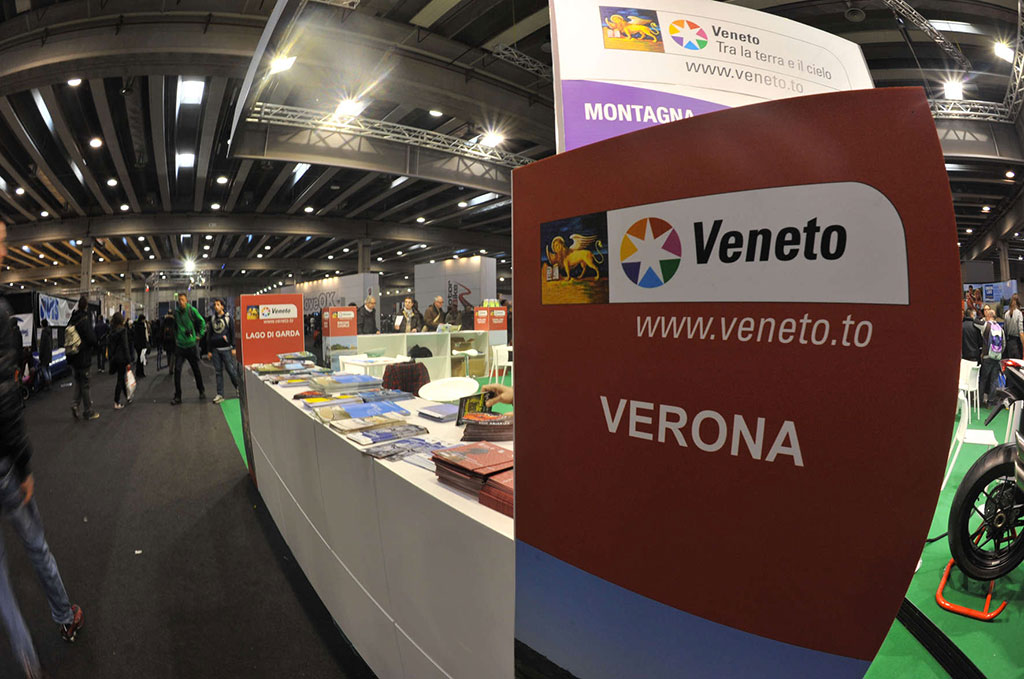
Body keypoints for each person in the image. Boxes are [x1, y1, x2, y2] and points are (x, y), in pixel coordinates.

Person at [0, 220, 85, 678]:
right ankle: (65, 616)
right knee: (35, 544)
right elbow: (5, 399)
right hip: (4, 465)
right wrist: (24, 464)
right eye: (1, 242)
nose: (5, 251)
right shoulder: (0, 314)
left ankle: (26, 659)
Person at [171, 292, 206, 405]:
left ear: (186, 300)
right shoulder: (176, 313)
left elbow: (202, 322)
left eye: (182, 300)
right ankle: (178, 396)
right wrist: (176, 339)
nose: (180, 302)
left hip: (191, 346)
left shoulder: (192, 310)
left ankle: (201, 390)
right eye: (179, 300)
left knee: (195, 369)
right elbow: (175, 327)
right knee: (177, 370)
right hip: (180, 347)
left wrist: (200, 335)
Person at [68, 296, 98, 421]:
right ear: (86, 306)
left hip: (73, 357)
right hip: (83, 356)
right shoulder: (84, 320)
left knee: (79, 383)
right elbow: (91, 339)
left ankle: (75, 405)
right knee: (85, 384)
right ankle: (88, 411)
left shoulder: (72, 320)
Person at [206, 299, 239, 404]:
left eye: (218, 304)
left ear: (222, 307)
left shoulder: (228, 318)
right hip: (215, 350)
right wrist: (209, 350)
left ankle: (238, 388)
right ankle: (220, 394)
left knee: (231, 370)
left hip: (226, 349)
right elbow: (209, 335)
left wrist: (234, 347)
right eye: (215, 305)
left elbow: (232, 332)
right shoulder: (212, 319)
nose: (216, 306)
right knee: (218, 372)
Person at [980, 307, 1004, 408]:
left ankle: (980, 401)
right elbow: (1004, 344)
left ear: (988, 316)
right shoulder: (1000, 329)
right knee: (994, 380)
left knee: (983, 379)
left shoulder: (986, 326)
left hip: (987, 356)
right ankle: (990, 402)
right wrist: (998, 354)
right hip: (997, 357)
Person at [108, 312, 131, 410]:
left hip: (114, 358)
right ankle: (116, 401)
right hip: (122, 358)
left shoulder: (111, 331)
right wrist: (128, 360)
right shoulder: (123, 331)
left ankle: (127, 396)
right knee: (120, 379)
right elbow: (125, 346)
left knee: (121, 378)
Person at [1005, 294, 1023, 360]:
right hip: (1017, 343)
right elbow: (1021, 332)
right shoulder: (1019, 313)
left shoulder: (1006, 314)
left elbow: (1005, 330)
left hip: (1009, 343)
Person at [132, 313, 149, 379]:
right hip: (141, 345)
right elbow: (143, 337)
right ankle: (140, 372)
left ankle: (138, 372)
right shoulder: (142, 326)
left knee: (139, 358)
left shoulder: (136, 325)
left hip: (137, 345)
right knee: (141, 359)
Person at [37, 320, 51, 390]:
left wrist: (40, 356)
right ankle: (50, 381)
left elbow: (42, 346)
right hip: (48, 354)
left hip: (44, 355)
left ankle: (47, 383)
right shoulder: (49, 332)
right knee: (48, 369)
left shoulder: (44, 333)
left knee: (44, 369)